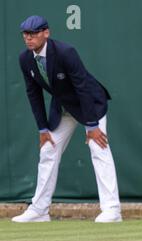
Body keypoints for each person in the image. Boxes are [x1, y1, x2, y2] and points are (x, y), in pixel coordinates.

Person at [13, 16, 122, 223]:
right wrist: (42, 129)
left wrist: (92, 125)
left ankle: (112, 210)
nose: (29, 38)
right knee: (48, 150)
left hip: (90, 103)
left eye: (34, 33)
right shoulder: (25, 59)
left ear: (46, 33)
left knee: (99, 149)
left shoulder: (65, 52)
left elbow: (82, 87)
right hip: (62, 108)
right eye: (25, 34)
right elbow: (33, 94)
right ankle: (39, 210)